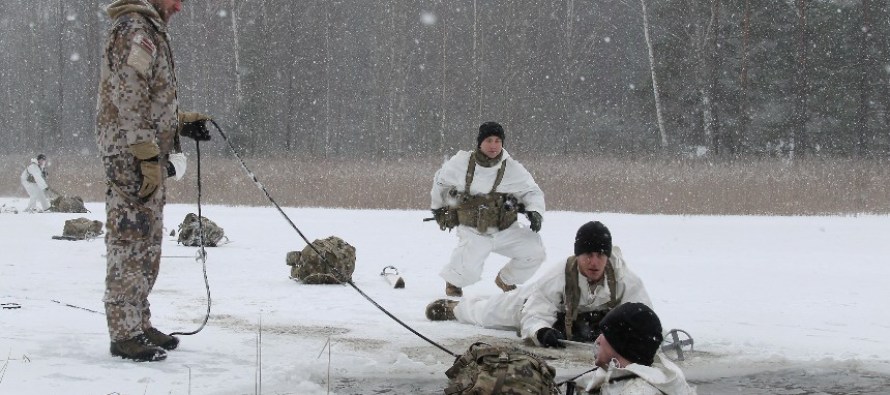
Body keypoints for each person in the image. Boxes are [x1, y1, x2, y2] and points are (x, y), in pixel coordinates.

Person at [96, 0, 210, 362]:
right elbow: (130, 94)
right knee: (130, 240)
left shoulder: (148, 27)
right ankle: (124, 332)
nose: (179, 6)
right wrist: (145, 154)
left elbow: (150, 98)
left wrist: (180, 120)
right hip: (131, 155)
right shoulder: (136, 28)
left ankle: (138, 323)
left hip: (142, 152)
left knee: (147, 241)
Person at [425, 221, 651, 348]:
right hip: (528, 304)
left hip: (576, 324)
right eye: (588, 255)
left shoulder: (624, 279)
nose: (594, 262)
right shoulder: (559, 277)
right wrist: (541, 332)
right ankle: (454, 308)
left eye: (600, 255)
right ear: (578, 255)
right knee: (488, 312)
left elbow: (644, 316)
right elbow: (535, 312)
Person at [430, 121, 546, 297]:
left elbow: (532, 191)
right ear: (480, 143)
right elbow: (441, 182)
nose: (494, 145)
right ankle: (454, 282)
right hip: (473, 229)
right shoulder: (461, 163)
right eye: (489, 140)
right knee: (468, 271)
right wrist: (439, 209)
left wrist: (535, 211)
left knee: (535, 251)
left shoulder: (511, 168)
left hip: (504, 229)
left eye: (498, 141)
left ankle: (506, 280)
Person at [569, 302, 697, 395]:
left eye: (605, 333)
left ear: (619, 344)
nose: (598, 340)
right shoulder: (616, 376)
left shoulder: (639, 391)